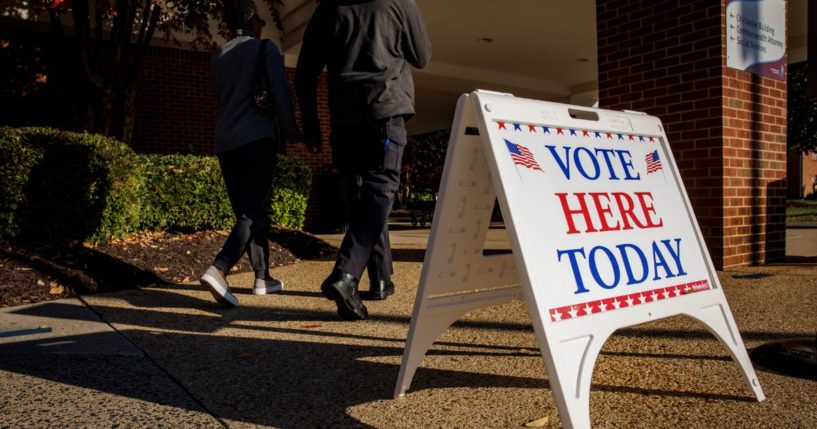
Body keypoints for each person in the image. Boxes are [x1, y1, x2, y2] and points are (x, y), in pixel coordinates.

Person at [296, 0, 431, 320]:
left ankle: (381, 278)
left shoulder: (327, 9)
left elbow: (305, 74)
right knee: (380, 190)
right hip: (384, 111)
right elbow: (422, 56)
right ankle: (345, 274)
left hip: (343, 121)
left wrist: (312, 126)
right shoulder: (398, 2)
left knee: (365, 198)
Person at [199, 0, 303, 307]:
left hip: (226, 142)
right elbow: (281, 94)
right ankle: (219, 268)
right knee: (253, 210)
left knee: (248, 210)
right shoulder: (264, 49)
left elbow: (220, 99)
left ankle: (262, 277)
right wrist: (294, 132)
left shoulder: (218, 56)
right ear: (254, 21)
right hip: (257, 138)